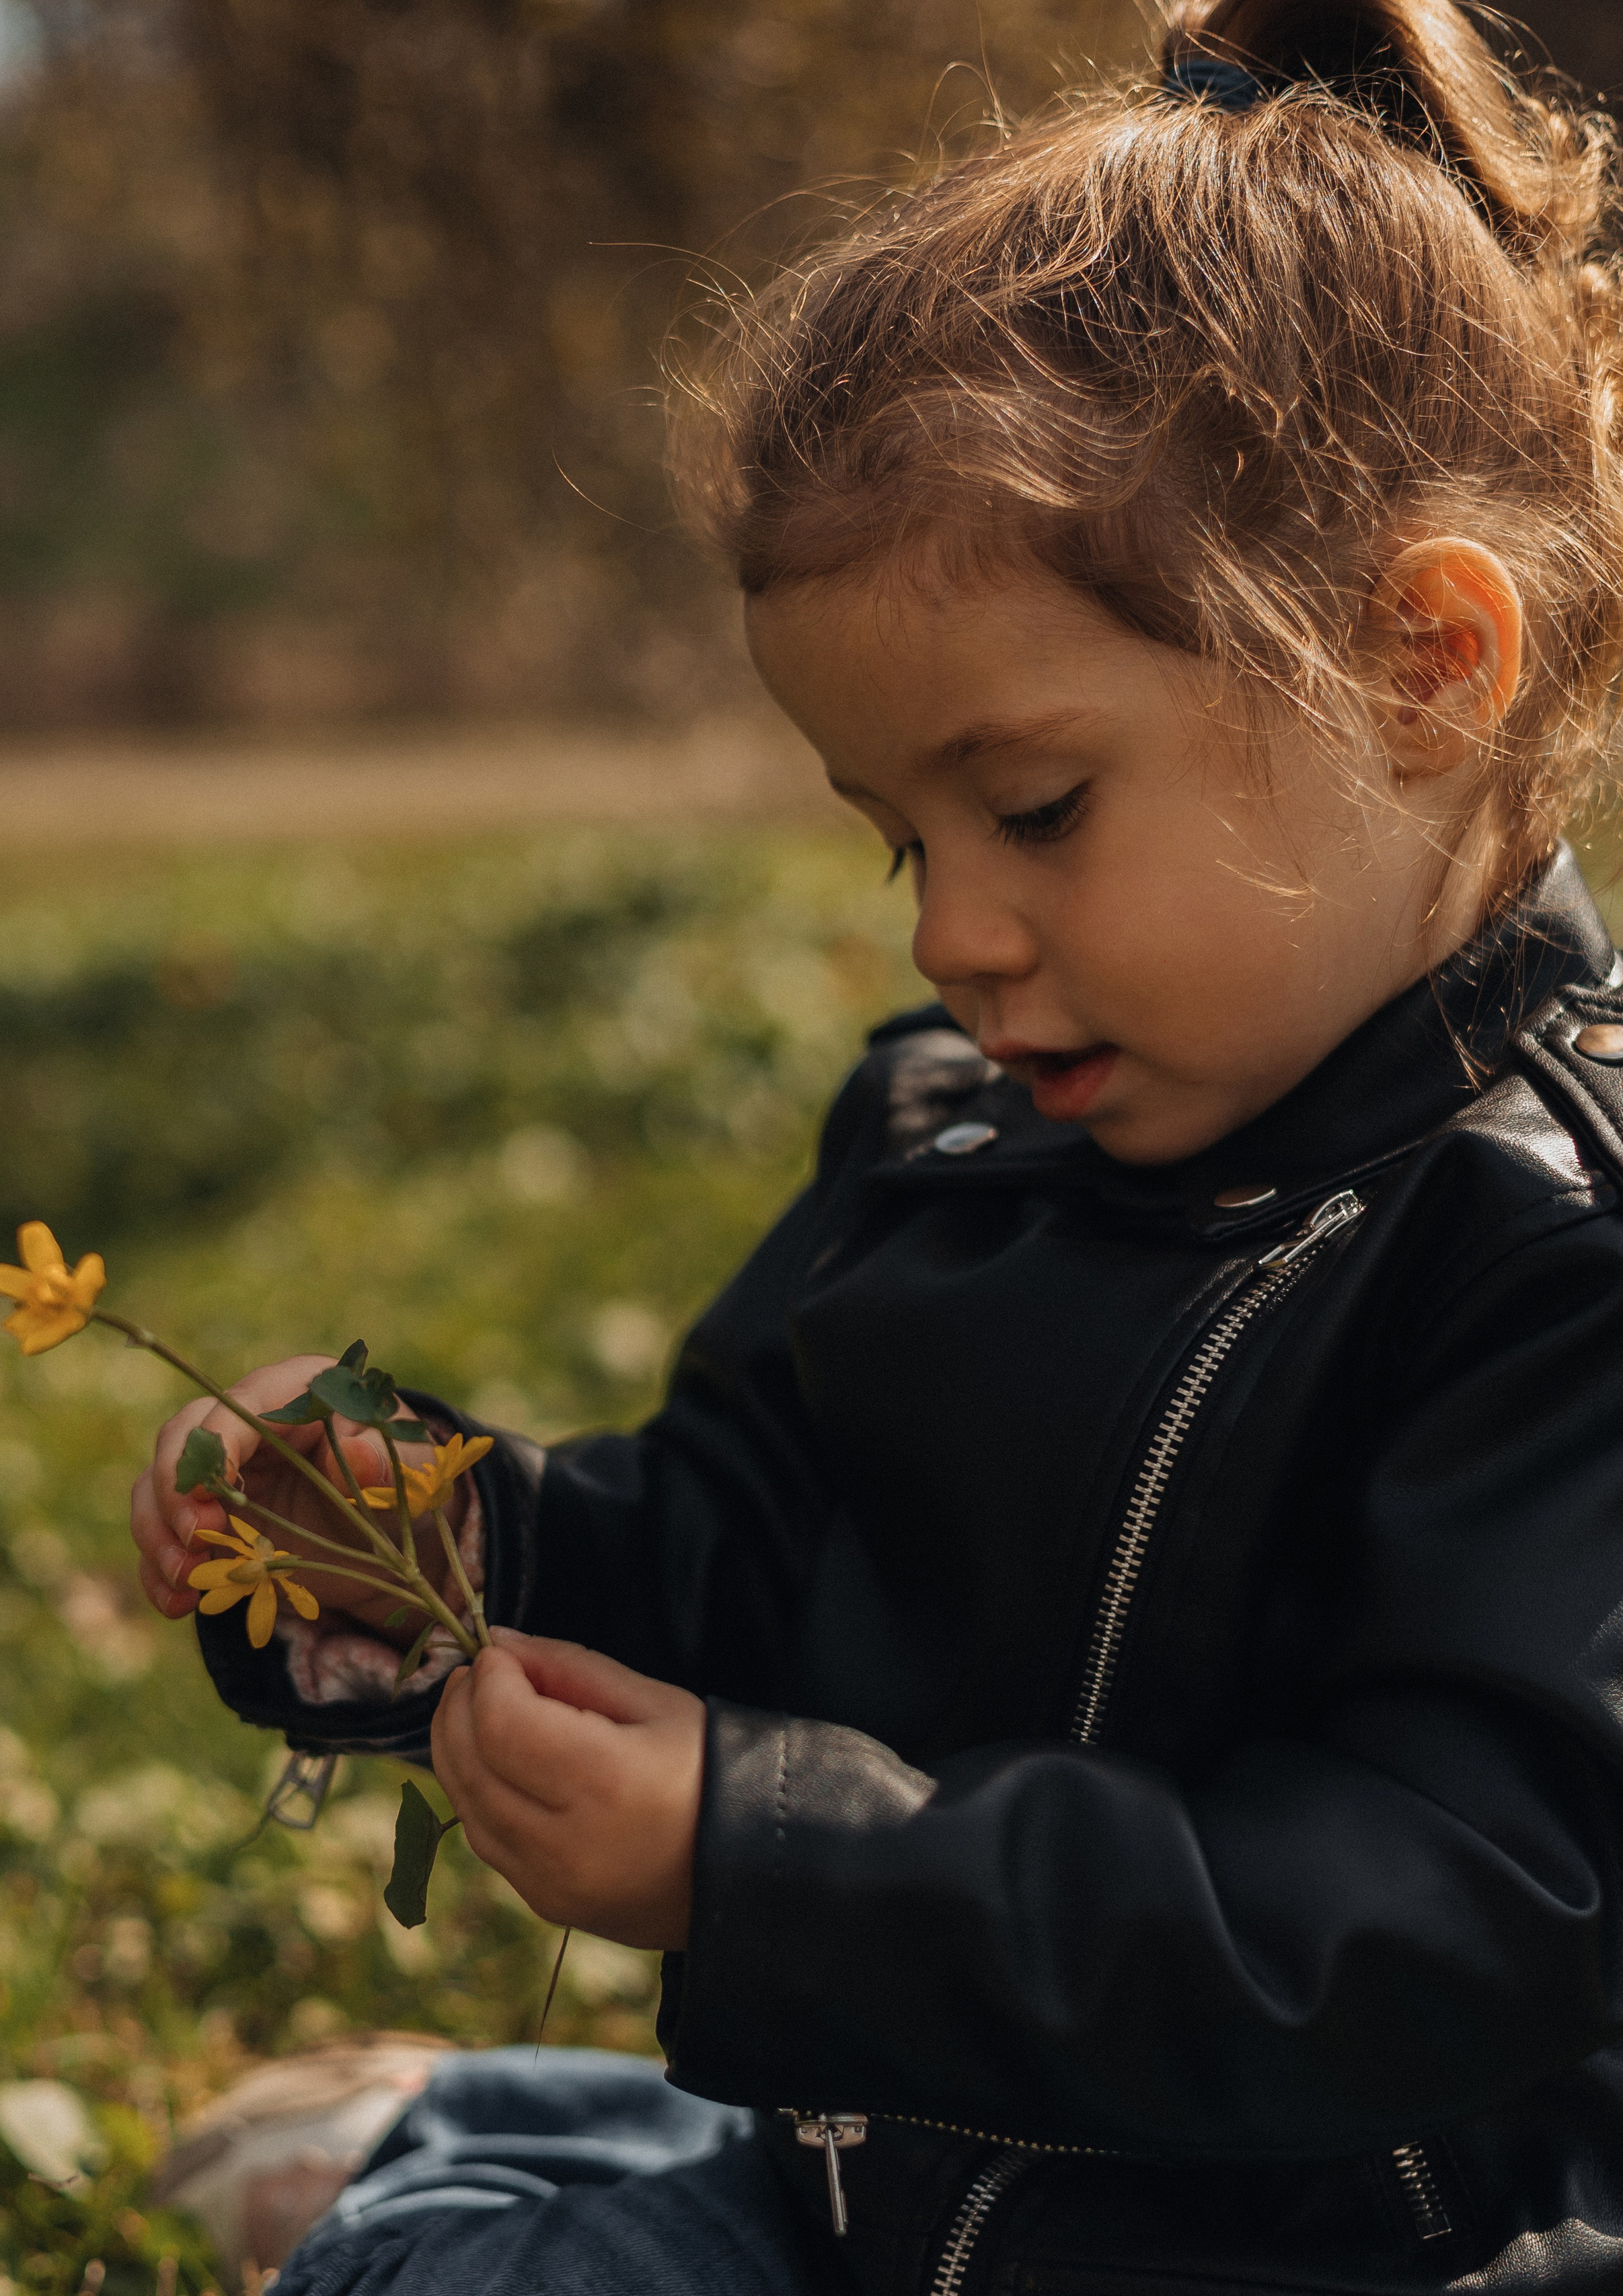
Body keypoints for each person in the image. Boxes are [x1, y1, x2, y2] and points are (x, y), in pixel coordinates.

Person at [131, 1, 1623, 2289]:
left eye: (1030, 809)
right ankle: (485, 2157)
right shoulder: (952, 1135)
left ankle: (462, 2157)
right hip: (899, 2173)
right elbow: (741, 1549)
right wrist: (415, 1545)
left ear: (1426, 667)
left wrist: (772, 1865)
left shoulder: (1545, 1268)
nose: (950, 933)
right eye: (889, 837)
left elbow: (1427, 1924)